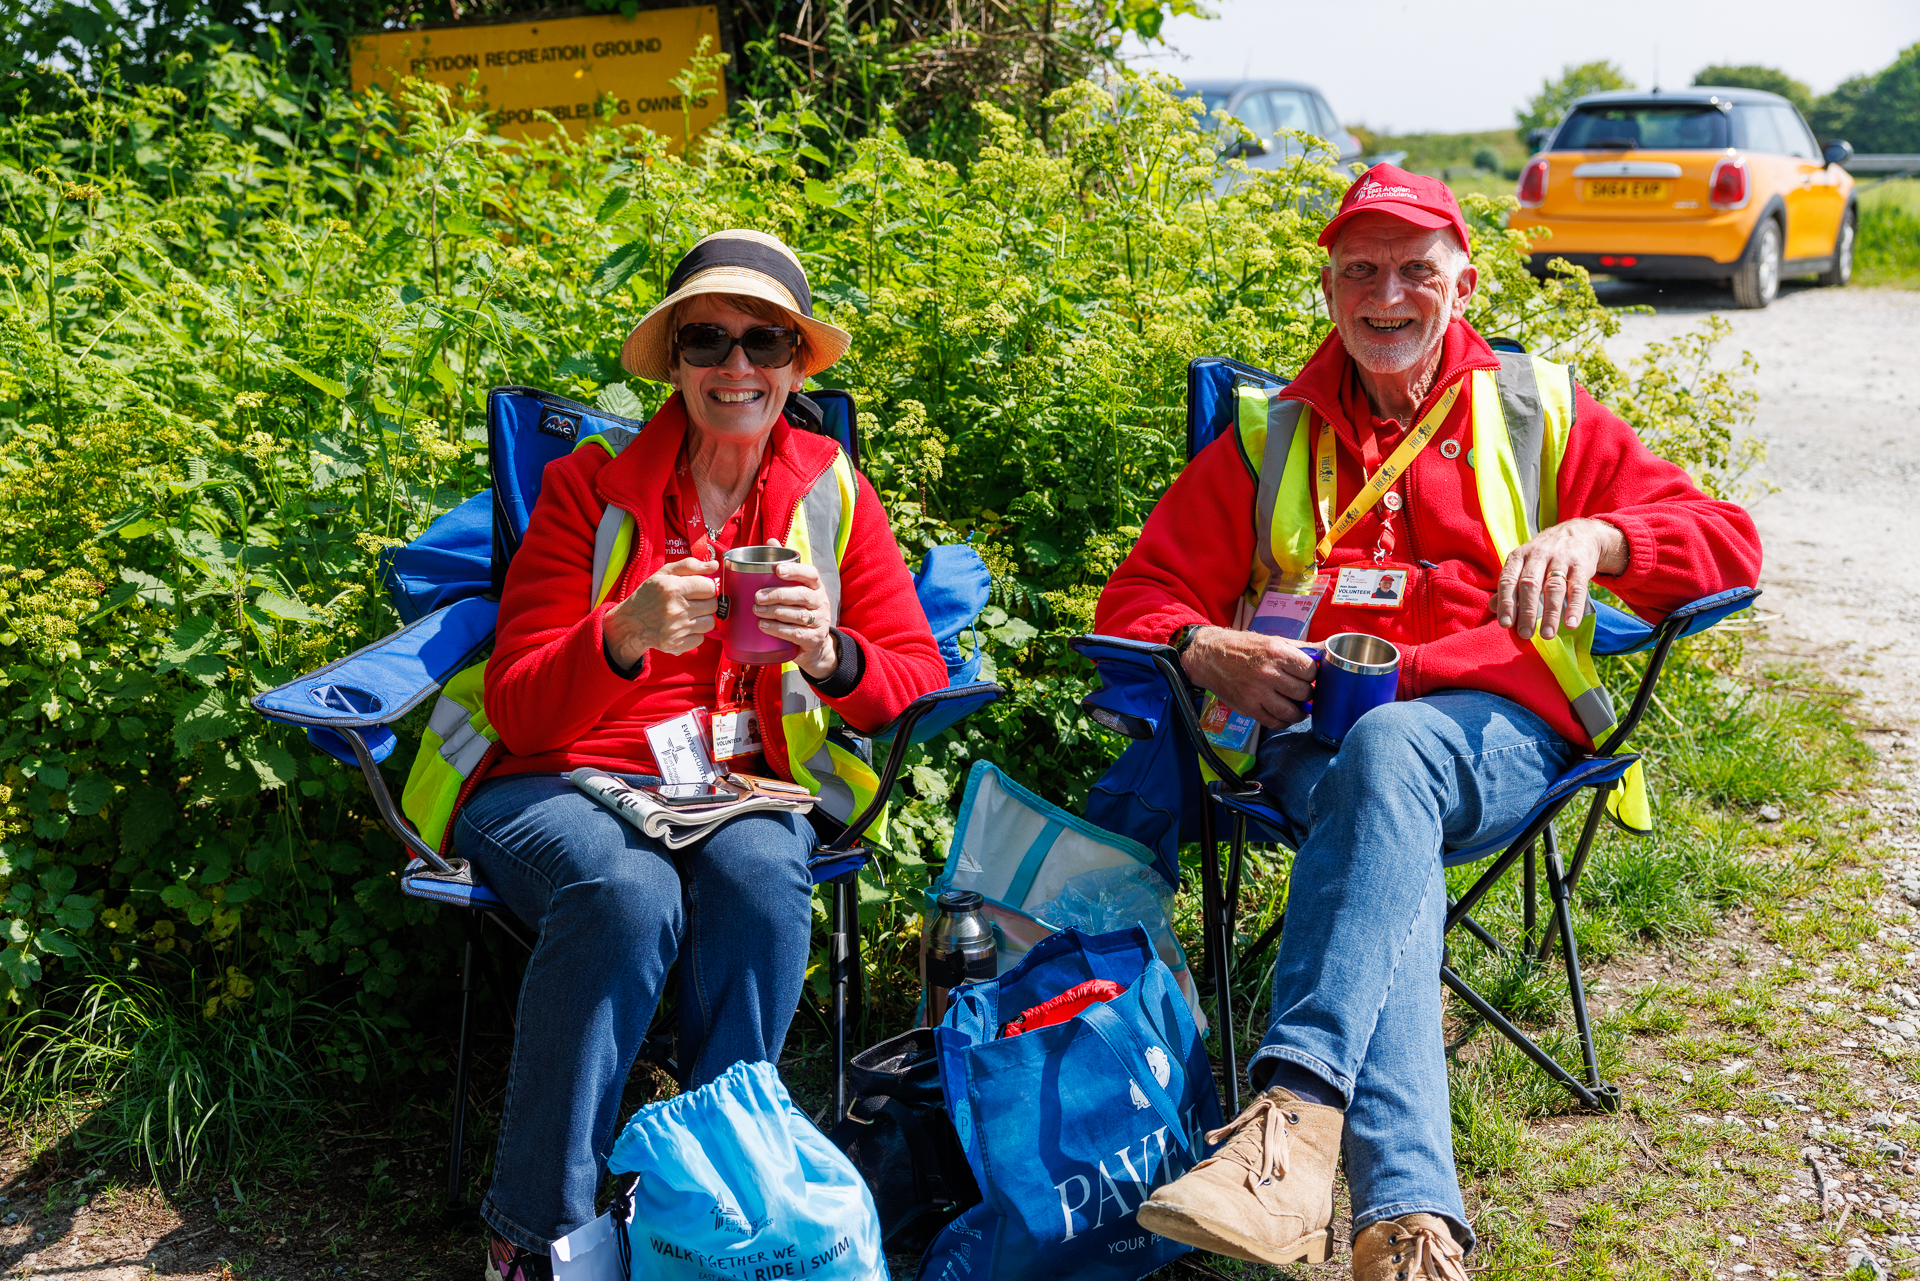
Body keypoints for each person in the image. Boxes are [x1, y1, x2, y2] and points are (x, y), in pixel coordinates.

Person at [1095, 165, 1762, 1280]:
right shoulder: (1271, 432)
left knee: (1392, 751)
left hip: (1494, 736)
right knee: (1376, 785)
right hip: (1316, 748)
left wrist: (1596, 541)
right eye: (1360, 270)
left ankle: (1293, 1118)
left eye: (1415, 269)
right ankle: (1405, 1229)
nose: (1386, 293)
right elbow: (1139, 598)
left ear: (1465, 281)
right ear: (1330, 291)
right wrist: (1203, 646)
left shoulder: (1533, 402)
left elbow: (1725, 540)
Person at [448, 230, 947, 1281]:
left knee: (767, 877)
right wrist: (623, 632)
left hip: (730, 785)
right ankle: (537, 1233)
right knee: (624, 895)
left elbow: (913, 672)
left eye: (764, 342)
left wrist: (829, 649)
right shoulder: (591, 490)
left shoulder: (832, 492)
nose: (737, 368)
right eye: (708, 340)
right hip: (560, 778)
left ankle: (722, 1204)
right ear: (673, 361)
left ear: (796, 367)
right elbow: (518, 706)